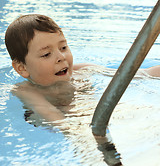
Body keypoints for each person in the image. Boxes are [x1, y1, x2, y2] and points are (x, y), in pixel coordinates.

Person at [5, 14, 160, 127]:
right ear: (22, 68)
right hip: (72, 123)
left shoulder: (83, 70)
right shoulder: (26, 90)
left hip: (94, 113)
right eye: (46, 54)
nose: (61, 57)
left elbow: (135, 75)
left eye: (63, 47)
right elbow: (58, 121)